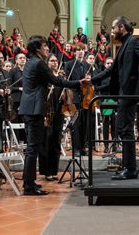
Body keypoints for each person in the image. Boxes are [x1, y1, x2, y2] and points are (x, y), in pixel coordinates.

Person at [94, 16, 139, 180]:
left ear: (121, 27)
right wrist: (91, 81)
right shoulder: (123, 45)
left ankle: (131, 169)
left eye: (113, 28)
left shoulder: (133, 42)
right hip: (123, 93)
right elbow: (111, 72)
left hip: (130, 93)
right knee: (123, 130)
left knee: (126, 131)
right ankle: (127, 166)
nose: (111, 31)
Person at [19, 36, 86, 195]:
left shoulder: (30, 62)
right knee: (33, 148)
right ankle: (29, 186)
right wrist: (78, 83)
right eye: (44, 46)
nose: (47, 49)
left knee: (32, 148)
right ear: (37, 49)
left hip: (29, 107)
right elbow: (56, 81)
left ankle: (29, 182)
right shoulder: (39, 63)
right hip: (34, 109)